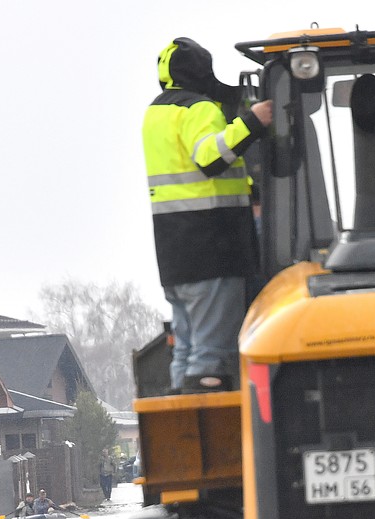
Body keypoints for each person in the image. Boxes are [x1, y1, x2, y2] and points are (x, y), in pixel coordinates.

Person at [143, 37, 273, 393]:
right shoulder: (198, 109)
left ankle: (182, 421)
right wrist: (253, 121)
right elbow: (210, 157)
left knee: (185, 350)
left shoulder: (157, 114)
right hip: (213, 247)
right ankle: (212, 425)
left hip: (175, 251)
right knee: (212, 356)